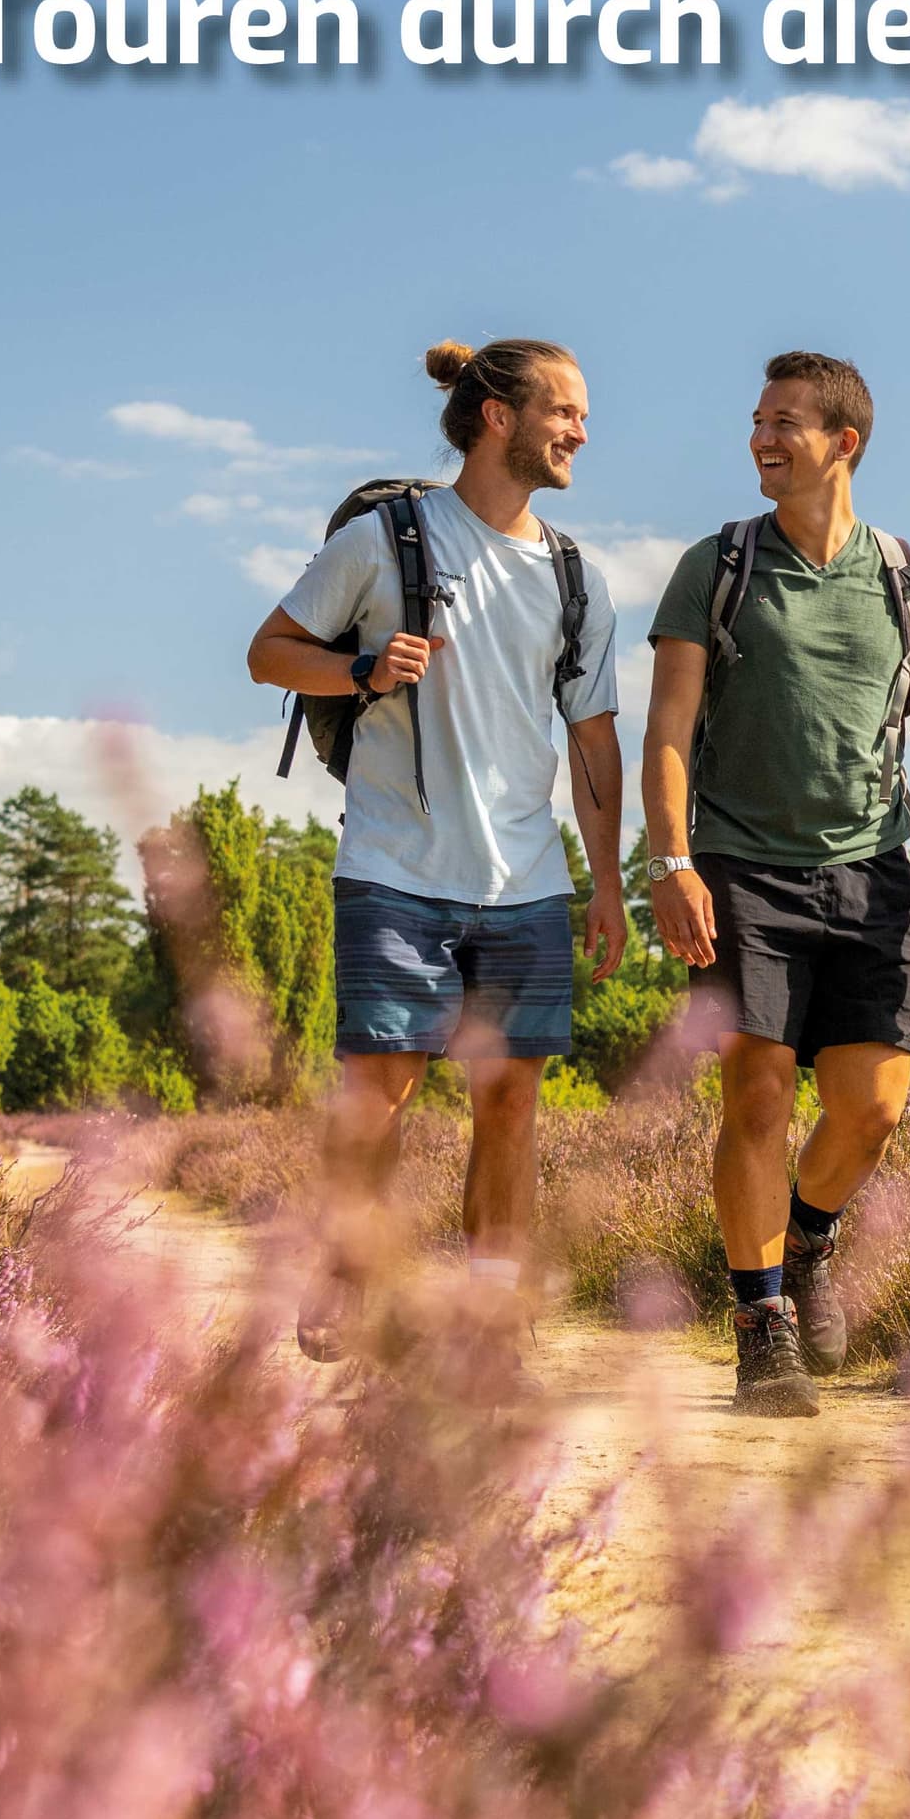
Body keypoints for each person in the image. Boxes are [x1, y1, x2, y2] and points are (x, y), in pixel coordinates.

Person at [640, 349, 910, 1415]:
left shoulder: (903, 576)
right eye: (757, 419)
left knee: (873, 1106)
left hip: (876, 869)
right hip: (743, 867)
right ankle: (762, 1326)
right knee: (755, 1087)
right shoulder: (716, 566)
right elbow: (667, 730)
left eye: (785, 421)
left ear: (844, 442)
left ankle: (806, 1247)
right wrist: (670, 859)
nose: (761, 437)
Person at [246, 339, 627, 1354]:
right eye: (566, 411)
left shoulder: (577, 576)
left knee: (508, 1105)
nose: (582, 431)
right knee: (384, 1086)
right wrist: (364, 667)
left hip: (527, 883)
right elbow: (269, 652)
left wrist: (610, 885)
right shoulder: (387, 538)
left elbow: (593, 739)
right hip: (394, 869)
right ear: (498, 414)